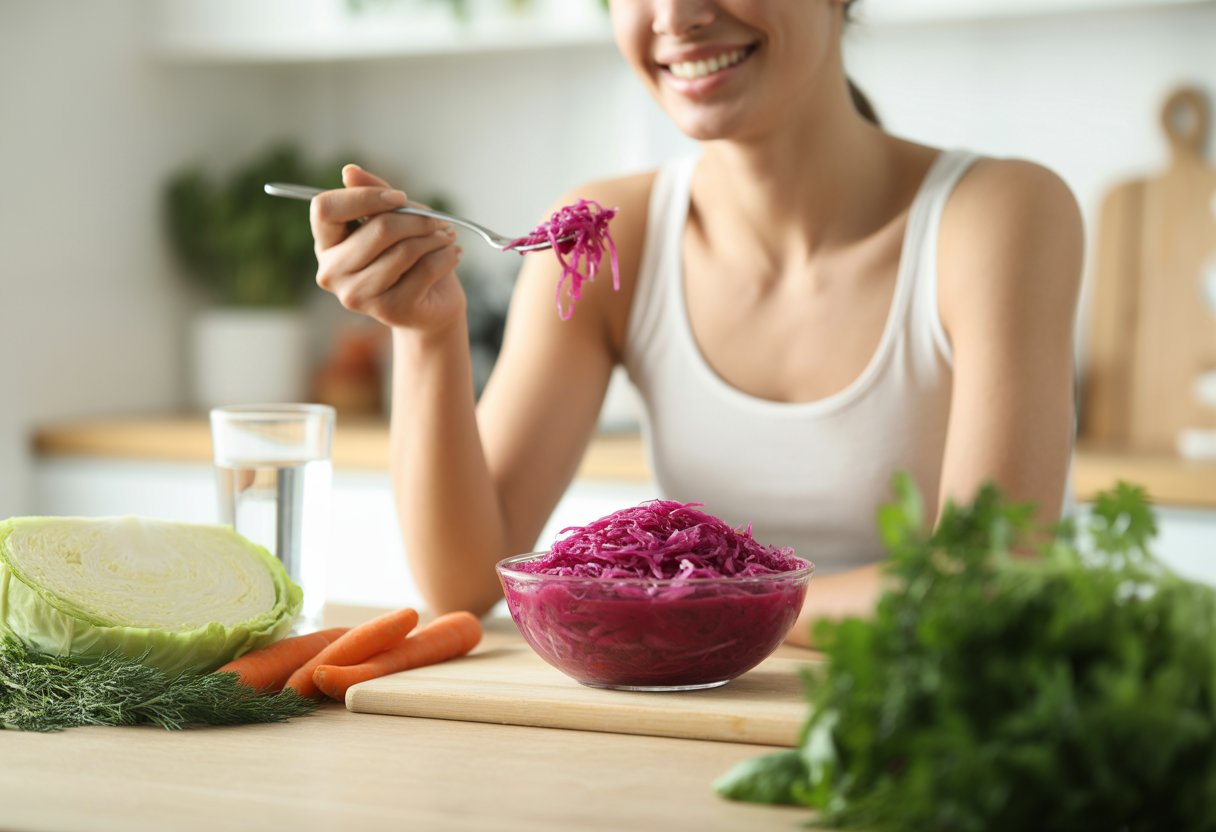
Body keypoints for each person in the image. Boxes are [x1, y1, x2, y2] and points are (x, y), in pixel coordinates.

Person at [307, 0, 1083, 647]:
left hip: (932, 724)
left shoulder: (997, 216)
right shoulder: (608, 235)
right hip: (698, 715)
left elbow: (981, 581)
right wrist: (427, 333)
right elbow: (467, 580)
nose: (676, 16)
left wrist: (683, 603)